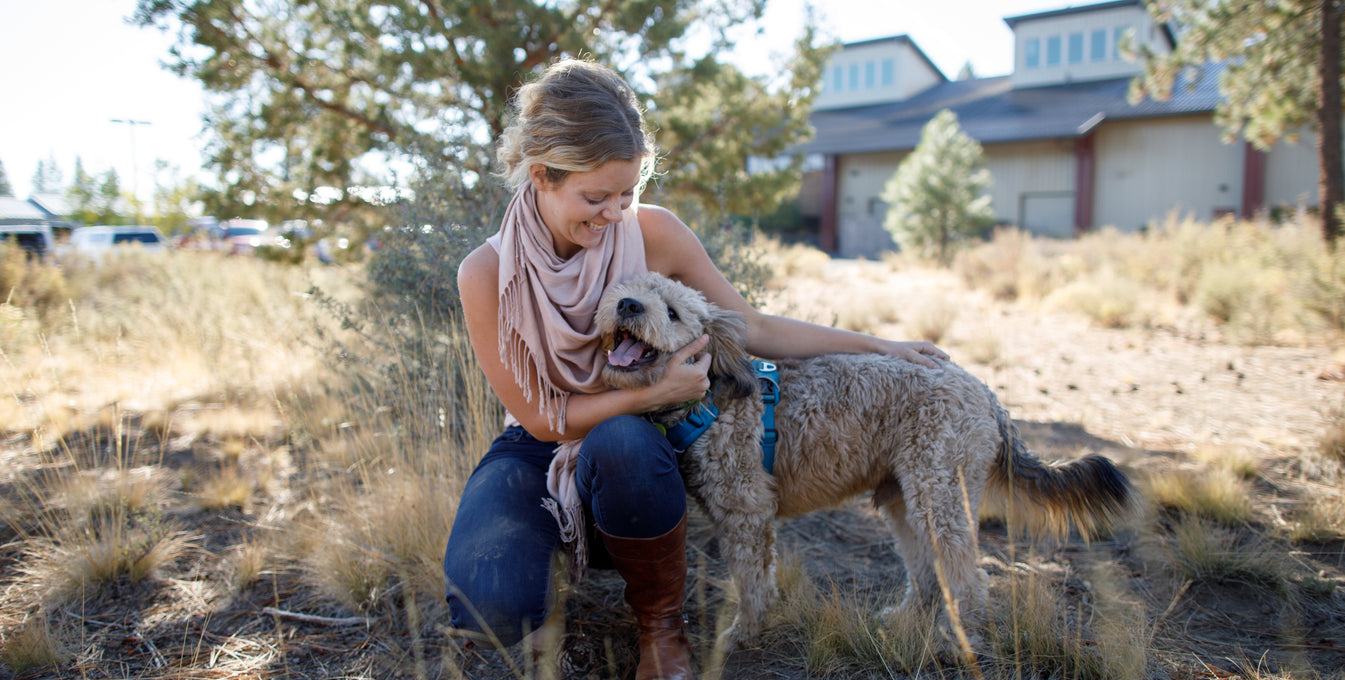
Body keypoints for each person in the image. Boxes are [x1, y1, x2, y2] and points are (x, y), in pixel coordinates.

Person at [444, 58, 948, 680]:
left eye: (627, 194)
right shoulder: (485, 273)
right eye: (595, 197)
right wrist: (658, 387)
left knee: (627, 442)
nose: (612, 214)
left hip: (633, 449)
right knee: (490, 604)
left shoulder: (652, 232)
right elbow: (543, 420)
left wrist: (881, 347)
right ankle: (552, 555)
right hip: (537, 443)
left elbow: (751, 328)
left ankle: (662, 630)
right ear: (542, 174)